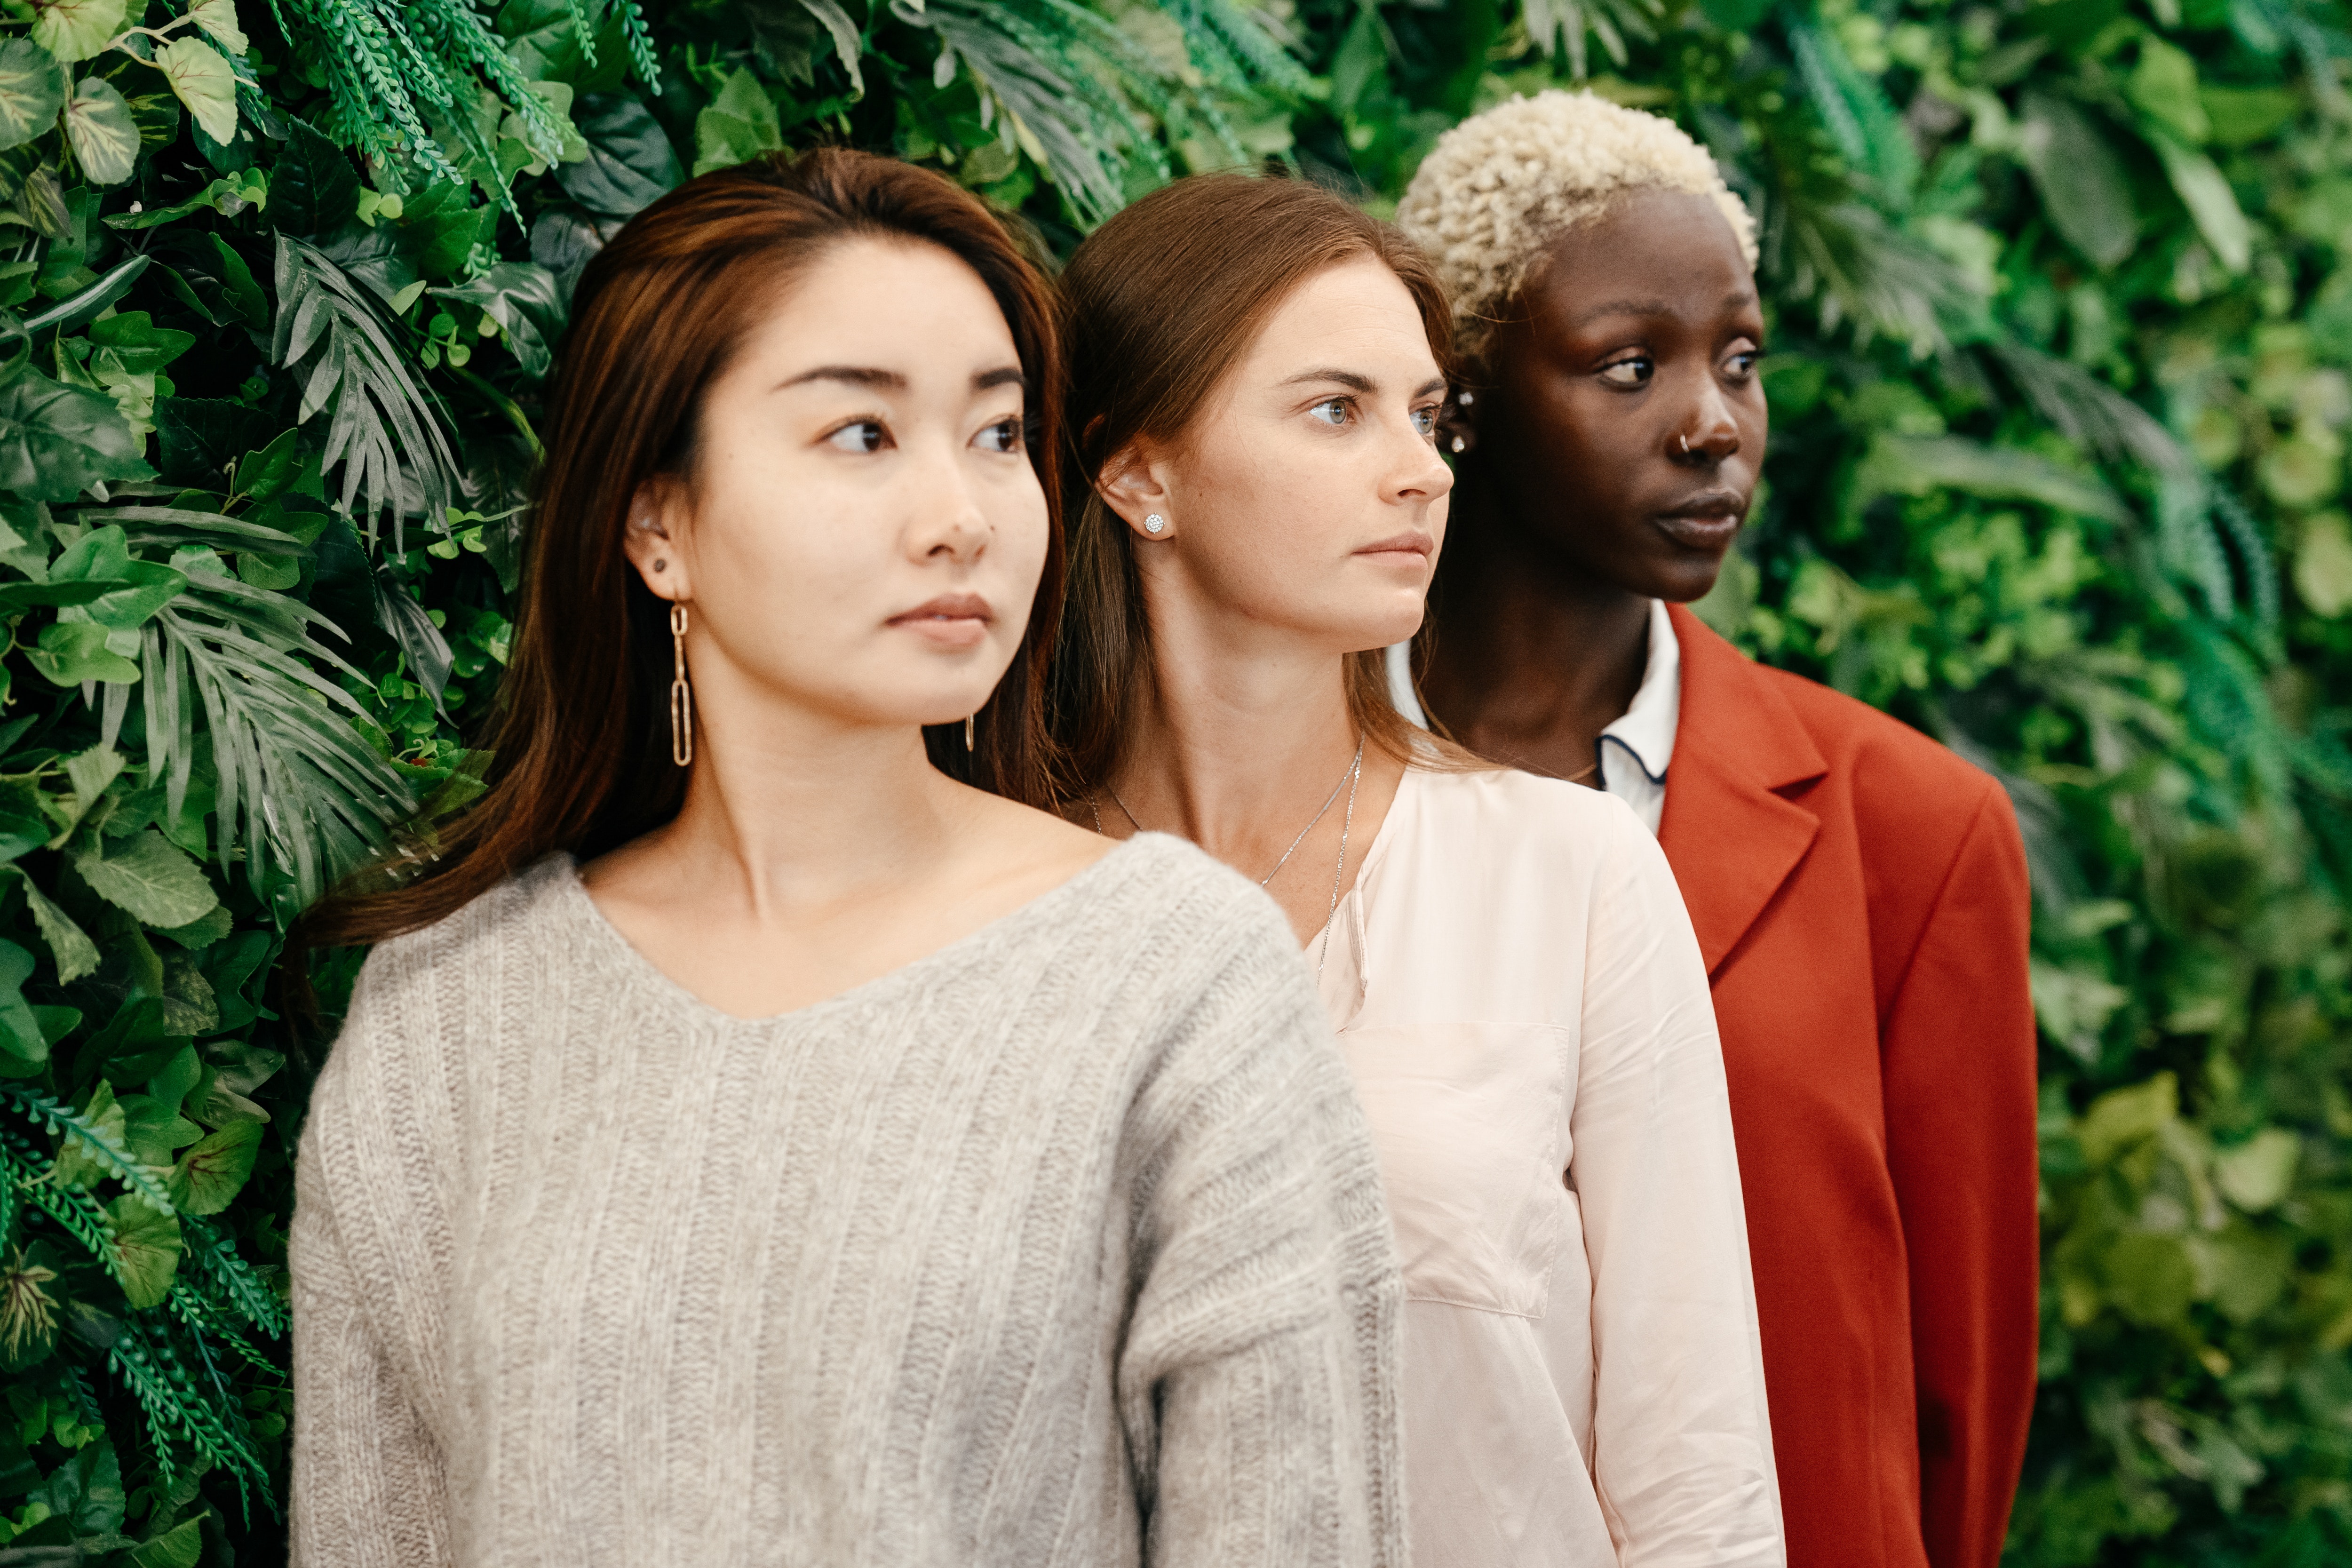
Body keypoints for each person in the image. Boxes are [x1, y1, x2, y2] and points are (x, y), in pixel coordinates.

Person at [285, 150, 1406, 1568]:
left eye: (999, 437)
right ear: (657, 523)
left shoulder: (1174, 984)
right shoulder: (448, 1018)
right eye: (862, 436)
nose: (963, 515)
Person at [1052, 171, 1784, 1568]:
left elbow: (1698, 1489)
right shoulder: (991, 902)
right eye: (1338, 410)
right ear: (1136, 469)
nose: (1423, 469)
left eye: (1430, 416)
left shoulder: (1572, 875)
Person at [1395, 90, 2039, 1568]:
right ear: (1467, 395)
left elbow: (1962, 1390)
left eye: (1738, 359)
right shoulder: (1280, 790)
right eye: (1631, 366)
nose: (1712, 423)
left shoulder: (1915, 833)